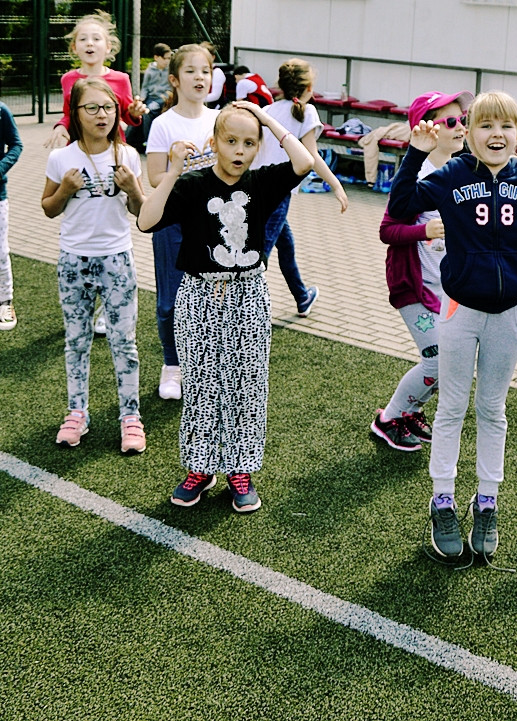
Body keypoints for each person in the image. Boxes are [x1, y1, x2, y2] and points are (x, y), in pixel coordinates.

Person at [386, 90, 517, 560]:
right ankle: (441, 500)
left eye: (506, 126)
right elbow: (400, 207)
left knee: (494, 408)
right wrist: (416, 151)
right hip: (459, 311)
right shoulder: (452, 174)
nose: (496, 134)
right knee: (453, 408)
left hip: (509, 314)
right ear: (469, 133)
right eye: (485, 126)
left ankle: (486, 502)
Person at [138, 102, 315, 513]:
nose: (239, 150)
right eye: (231, 140)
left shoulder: (263, 182)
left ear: (258, 148)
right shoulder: (193, 185)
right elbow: (146, 221)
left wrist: (269, 120)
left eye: (249, 143)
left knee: (247, 384)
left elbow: (304, 162)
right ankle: (200, 468)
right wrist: (172, 173)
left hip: (248, 293)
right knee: (200, 385)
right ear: (213, 142)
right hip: (198, 294)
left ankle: (241, 468)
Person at [41, 78, 147, 454]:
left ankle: (130, 418)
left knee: (124, 344)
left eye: (108, 107)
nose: (101, 115)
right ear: (76, 113)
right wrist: (65, 190)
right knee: (77, 341)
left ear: (117, 112)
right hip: (73, 260)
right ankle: (76, 412)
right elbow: (48, 207)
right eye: (92, 108)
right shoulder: (61, 158)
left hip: (117, 259)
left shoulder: (128, 156)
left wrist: (134, 187)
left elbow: (141, 212)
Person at [371, 90, 473, 452]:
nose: (460, 127)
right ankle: (389, 419)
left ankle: (410, 410)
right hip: (414, 287)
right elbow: (387, 230)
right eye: (450, 122)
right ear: (426, 130)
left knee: (450, 363)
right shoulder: (418, 175)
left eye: (462, 119)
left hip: (448, 290)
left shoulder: (463, 170)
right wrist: (423, 230)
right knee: (437, 359)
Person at [145, 43, 220, 401]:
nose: (199, 78)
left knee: (212, 300)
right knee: (171, 302)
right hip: (173, 223)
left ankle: (203, 366)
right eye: (191, 71)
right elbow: (155, 178)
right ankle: (172, 366)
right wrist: (183, 168)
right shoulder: (163, 124)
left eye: (205, 71)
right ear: (174, 80)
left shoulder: (219, 120)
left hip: (213, 224)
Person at [251, 58, 349, 318]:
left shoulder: (270, 111)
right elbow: (313, 156)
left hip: (258, 186)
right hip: (278, 192)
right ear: (307, 88)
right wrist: (336, 184)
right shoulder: (307, 112)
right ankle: (245, 307)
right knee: (261, 253)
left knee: (285, 244)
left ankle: (302, 296)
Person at [43, 11, 147, 150]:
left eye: (96, 39)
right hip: (78, 148)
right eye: (83, 39)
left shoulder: (121, 79)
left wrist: (134, 113)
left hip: (113, 149)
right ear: (74, 48)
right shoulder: (67, 79)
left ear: (108, 47)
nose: (89, 43)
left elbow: (127, 116)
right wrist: (61, 126)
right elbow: (69, 114)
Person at [0, 90, 23, 331]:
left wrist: (0, 168)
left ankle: (4, 300)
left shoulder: (1, 110)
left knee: (0, 251)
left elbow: (16, 144)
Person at [126, 42, 173, 152]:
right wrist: (141, 98)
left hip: (163, 98)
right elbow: (145, 87)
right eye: (164, 58)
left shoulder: (171, 70)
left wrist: (162, 98)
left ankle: (149, 141)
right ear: (156, 57)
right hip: (150, 97)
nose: (167, 61)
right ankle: (128, 140)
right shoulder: (150, 70)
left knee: (148, 112)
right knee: (139, 110)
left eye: (169, 58)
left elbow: (171, 89)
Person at [201, 41, 230, 109]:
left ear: (213, 57)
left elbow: (215, 96)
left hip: (215, 107)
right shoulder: (199, 72)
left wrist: (195, 99)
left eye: (207, 56)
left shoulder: (217, 72)